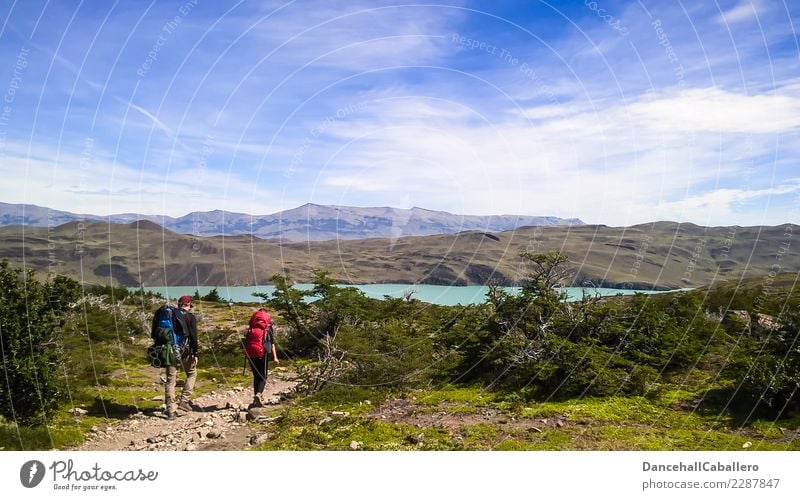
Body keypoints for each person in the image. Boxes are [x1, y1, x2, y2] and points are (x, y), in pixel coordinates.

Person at [165, 295, 199, 420]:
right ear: (189, 305)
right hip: (184, 351)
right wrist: (195, 353)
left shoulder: (169, 315)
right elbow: (194, 337)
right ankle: (184, 401)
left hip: (169, 351)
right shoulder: (190, 317)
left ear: (179, 304)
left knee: (170, 380)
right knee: (191, 373)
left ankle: (170, 411)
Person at [243, 307, 279, 408]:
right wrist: (275, 357)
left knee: (256, 376)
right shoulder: (268, 327)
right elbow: (272, 343)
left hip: (250, 353)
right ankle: (259, 394)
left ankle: (255, 398)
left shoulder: (251, 327)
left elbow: (246, 341)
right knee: (263, 376)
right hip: (263, 353)